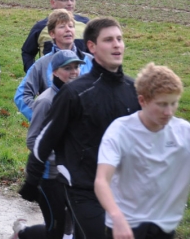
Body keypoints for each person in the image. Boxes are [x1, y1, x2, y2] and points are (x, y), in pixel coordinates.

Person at [34, 17, 140, 239]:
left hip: (123, 190)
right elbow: (45, 139)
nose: (117, 45)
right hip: (84, 189)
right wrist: (34, 178)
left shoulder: (133, 90)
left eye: (119, 39)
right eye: (109, 39)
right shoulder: (74, 93)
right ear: (92, 46)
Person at [95, 63, 190, 239]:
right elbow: (101, 181)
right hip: (125, 225)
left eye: (173, 103)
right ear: (142, 101)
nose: (168, 112)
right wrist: (117, 217)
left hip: (164, 226)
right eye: (161, 104)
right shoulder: (120, 131)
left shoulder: (183, 132)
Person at [13, 49, 85, 239]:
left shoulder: (79, 97)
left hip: (73, 175)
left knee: (74, 227)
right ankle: (22, 233)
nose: (74, 72)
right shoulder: (45, 101)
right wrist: (58, 159)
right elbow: (32, 139)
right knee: (56, 230)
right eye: (67, 68)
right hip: (49, 176)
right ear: (54, 72)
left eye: (76, 67)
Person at [14, 9, 94, 120]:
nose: (68, 30)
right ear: (52, 33)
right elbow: (21, 96)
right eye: (62, 27)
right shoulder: (42, 64)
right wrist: (42, 119)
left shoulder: (91, 61)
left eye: (71, 26)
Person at [21, 0, 89, 72]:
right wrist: (33, 74)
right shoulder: (41, 27)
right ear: (53, 3)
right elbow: (27, 52)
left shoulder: (86, 24)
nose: (69, 3)